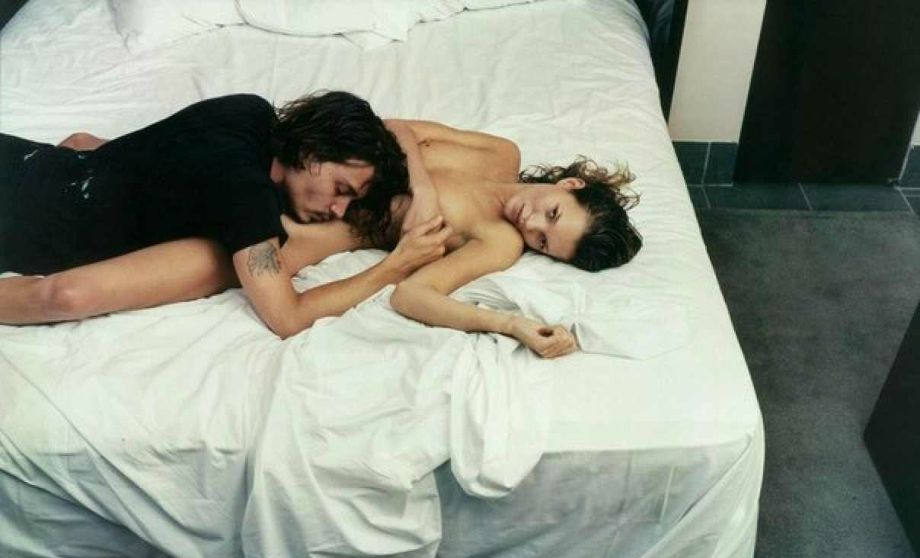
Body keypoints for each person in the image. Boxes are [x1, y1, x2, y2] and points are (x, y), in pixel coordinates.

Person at [0, 92, 451, 337]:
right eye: (341, 190)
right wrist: (395, 266)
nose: (338, 210)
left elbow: (394, 129)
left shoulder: (248, 110)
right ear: (313, 150)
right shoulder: (248, 200)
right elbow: (287, 317)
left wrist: (423, 187)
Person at [383, 122, 642, 358]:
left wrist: (511, 324)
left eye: (542, 241)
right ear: (570, 184)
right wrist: (423, 189)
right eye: (552, 213)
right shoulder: (503, 153)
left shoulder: (500, 243)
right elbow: (396, 127)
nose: (531, 224)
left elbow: (410, 294)